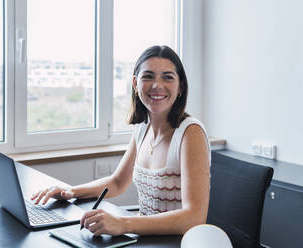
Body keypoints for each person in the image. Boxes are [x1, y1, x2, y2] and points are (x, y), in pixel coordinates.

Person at [31, 45, 211, 236]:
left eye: (167, 77)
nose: (157, 85)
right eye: (148, 76)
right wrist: (71, 192)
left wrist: (123, 223)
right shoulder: (143, 128)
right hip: (146, 239)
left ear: (180, 85)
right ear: (135, 83)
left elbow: (194, 217)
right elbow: (117, 182)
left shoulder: (190, 133)